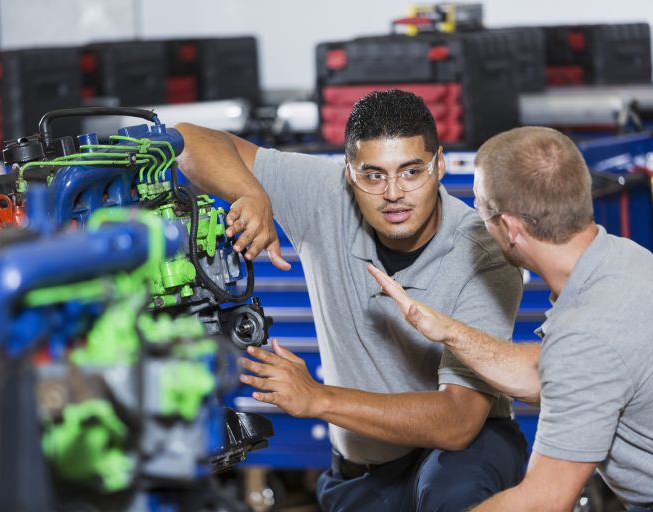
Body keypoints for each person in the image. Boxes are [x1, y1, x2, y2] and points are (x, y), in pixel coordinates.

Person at [176, 90, 527, 511]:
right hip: (363, 470)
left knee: (453, 490)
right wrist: (250, 192)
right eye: (373, 175)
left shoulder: (483, 256)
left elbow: (458, 422)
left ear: (440, 167)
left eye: (411, 171)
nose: (394, 192)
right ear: (348, 173)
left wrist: (317, 398)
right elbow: (184, 139)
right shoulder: (326, 197)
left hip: (462, 455)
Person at [369, 126, 653, 511]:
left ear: (511, 228)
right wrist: (446, 331)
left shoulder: (588, 332)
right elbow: (553, 373)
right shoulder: (623, 260)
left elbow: (543, 502)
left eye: (481, 211)